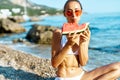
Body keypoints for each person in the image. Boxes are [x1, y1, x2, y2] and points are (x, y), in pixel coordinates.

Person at [51, 0, 120, 80]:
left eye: (77, 12)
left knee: (118, 68)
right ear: (64, 14)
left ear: (81, 13)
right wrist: (68, 45)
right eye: (69, 12)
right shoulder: (58, 33)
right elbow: (54, 64)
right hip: (64, 77)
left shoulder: (84, 33)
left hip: (82, 76)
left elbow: (83, 63)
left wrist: (83, 43)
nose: (74, 15)